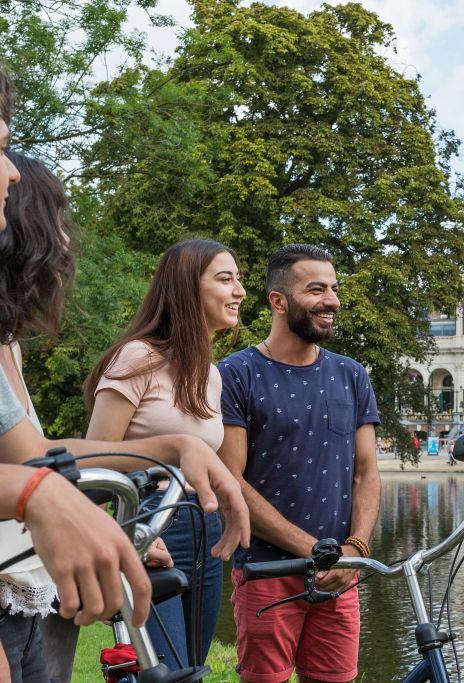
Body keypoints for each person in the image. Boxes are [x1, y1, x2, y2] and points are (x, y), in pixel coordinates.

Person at [0, 74, 248, 680]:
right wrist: (87, 507)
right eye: (56, 220)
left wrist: (174, 446)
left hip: (47, 564)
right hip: (34, 563)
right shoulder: (137, 357)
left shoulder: (10, 346)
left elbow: (35, 457)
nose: (66, 242)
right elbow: (43, 468)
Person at [218, 244, 381, 683]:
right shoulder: (235, 374)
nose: (332, 300)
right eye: (316, 289)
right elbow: (230, 482)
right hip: (266, 572)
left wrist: (354, 552)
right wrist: (316, 552)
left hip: (339, 576)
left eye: (333, 288)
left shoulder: (352, 374)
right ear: (278, 301)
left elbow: (366, 472)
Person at [84, 238, 246, 670]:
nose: (240, 291)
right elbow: (93, 465)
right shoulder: (136, 358)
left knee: (191, 668)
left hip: (201, 528)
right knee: (163, 669)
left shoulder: (210, 375)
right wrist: (132, 533)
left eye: (239, 279)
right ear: (186, 289)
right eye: (225, 279)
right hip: (149, 521)